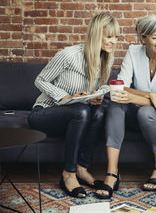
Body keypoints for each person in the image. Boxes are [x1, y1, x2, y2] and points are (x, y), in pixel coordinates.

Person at [28, 12, 120, 198]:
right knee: (82, 112)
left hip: (77, 114)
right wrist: (65, 96)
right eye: (109, 36)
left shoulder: (106, 58)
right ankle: (68, 174)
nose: (114, 41)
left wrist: (96, 95)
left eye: (116, 37)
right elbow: (40, 80)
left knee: (98, 112)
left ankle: (82, 168)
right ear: (96, 34)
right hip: (44, 113)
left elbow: (90, 92)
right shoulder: (69, 55)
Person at [95, 15, 156, 199]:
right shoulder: (133, 52)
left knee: (145, 111)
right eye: (154, 37)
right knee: (115, 101)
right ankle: (112, 173)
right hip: (140, 114)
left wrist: (135, 97)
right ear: (142, 38)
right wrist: (149, 95)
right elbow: (122, 87)